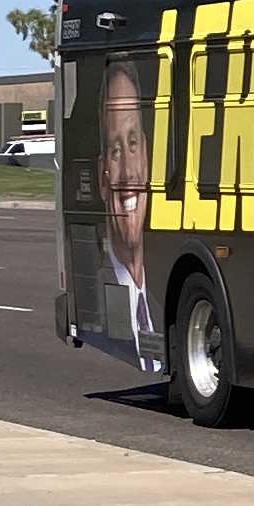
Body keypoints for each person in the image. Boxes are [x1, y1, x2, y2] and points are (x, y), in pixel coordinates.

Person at [98, 56, 158, 364]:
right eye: (115, 150)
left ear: (146, 157)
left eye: (133, 145)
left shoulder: (162, 300)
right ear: (102, 176)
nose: (128, 173)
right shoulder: (97, 297)